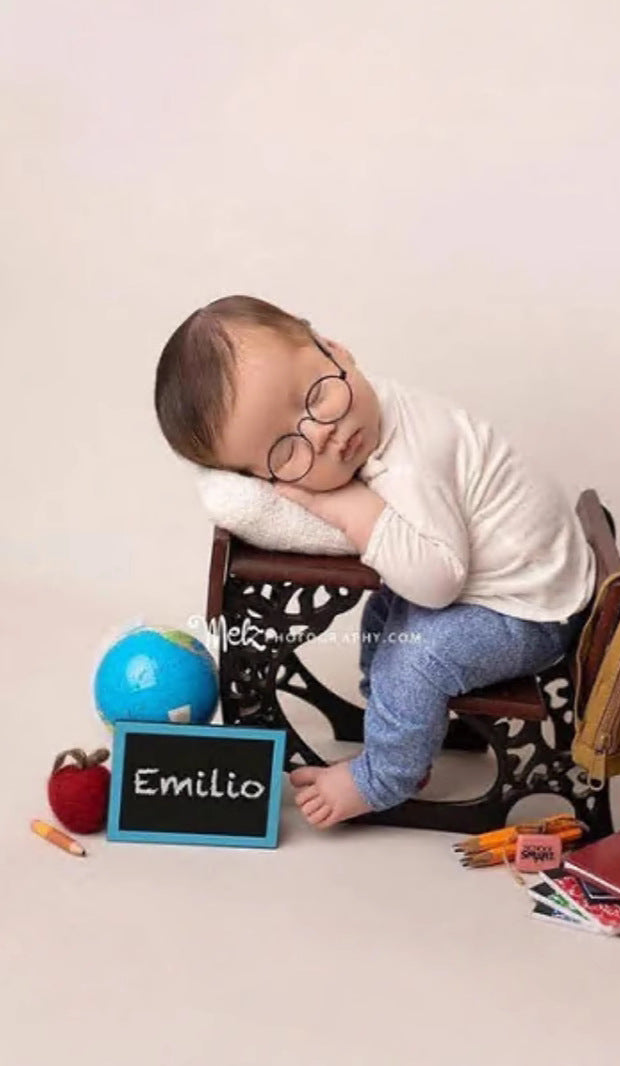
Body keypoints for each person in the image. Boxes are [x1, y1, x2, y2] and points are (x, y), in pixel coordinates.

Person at [154, 295, 595, 829]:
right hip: (523, 577)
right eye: (287, 450)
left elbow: (436, 582)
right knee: (384, 616)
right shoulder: (369, 412)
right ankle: (406, 727)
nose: (321, 432)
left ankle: (384, 777)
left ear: (334, 349)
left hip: (533, 610)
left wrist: (349, 508)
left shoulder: (410, 463)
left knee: (415, 656)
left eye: (316, 393)